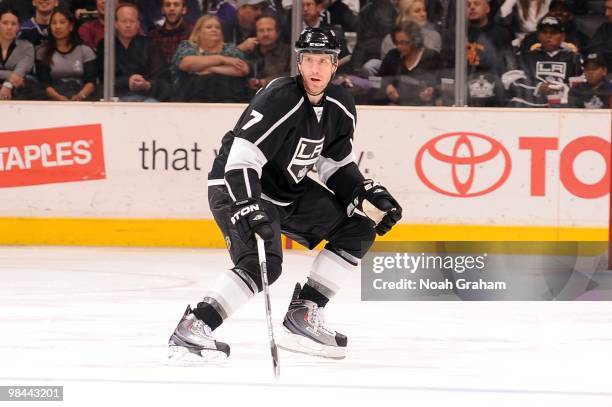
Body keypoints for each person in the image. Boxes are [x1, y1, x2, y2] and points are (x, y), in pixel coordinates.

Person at [168, 27, 402, 361]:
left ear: (335, 65)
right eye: (309, 60)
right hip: (235, 185)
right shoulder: (279, 96)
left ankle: (303, 314)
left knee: (358, 230)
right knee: (261, 263)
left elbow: (333, 165)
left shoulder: (340, 105)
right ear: (299, 62)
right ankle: (193, 328)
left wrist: (365, 194)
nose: (316, 69)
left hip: (285, 191)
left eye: (324, 61)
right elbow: (241, 158)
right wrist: (248, 205)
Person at [502, 16, 582, 107]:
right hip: (530, 106)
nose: (549, 36)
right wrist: (538, 87)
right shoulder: (525, 56)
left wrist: (564, 88)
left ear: (563, 36)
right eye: (544, 32)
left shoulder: (574, 58)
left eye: (554, 32)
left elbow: (583, 83)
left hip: (562, 108)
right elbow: (510, 81)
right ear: (538, 35)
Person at [171, 14, 249, 102]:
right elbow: (186, 64)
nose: (214, 30)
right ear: (198, 32)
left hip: (228, 99)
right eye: (209, 27)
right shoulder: (188, 46)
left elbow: (243, 69)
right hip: (192, 99)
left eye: (217, 27)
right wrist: (222, 59)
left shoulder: (229, 49)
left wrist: (211, 69)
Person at [97, 3, 163, 101]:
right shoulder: (106, 45)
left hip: (146, 97)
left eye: (132, 21)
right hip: (114, 97)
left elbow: (161, 75)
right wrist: (127, 81)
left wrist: (148, 85)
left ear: (138, 24)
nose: (128, 25)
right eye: (124, 21)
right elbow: (102, 78)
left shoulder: (149, 44)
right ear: (116, 24)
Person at [35, 8, 97, 101]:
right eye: (54, 23)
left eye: (62, 22)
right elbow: (44, 84)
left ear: (71, 26)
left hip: (81, 95)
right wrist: (58, 98)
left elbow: (91, 82)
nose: (58, 26)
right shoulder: (42, 52)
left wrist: (80, 96)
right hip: (53, 96)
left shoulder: (85, 50)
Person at [465, 0, 516, 106]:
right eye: (468, 5)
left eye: (477, 4)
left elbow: (510, 67)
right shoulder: (458, 33)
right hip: (465, 93)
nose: (472, 7)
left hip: (496, 93)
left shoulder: (501, 34)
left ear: (487, 8)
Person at [378, 21, 441, 105]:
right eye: (397, 42)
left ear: (415, 41)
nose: (399, 46)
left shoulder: (432, 57)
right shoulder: (392, 56)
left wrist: (431, 93)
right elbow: (378, 81)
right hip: (394, 108)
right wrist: (386, 87)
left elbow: (441, 87)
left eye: (404, 43)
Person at [245, 14, 290, 91]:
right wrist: (240, 50)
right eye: (261, 30)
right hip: (249, 98)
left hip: (279, 95)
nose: (265, 34)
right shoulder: (249, 51)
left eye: (269, 30)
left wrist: (267, 82)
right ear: (256, 33)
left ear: (277, 33)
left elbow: (292, 75)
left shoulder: (289, 51)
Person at [0, 8, 35, 100]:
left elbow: (21, 71)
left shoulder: (26, 47)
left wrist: (7, 85)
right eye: (5, 23)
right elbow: (13, 75)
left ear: (19, 26)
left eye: (13, 24)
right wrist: (9, 75)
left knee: (28, 81)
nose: (9, 27)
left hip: (16, 87)